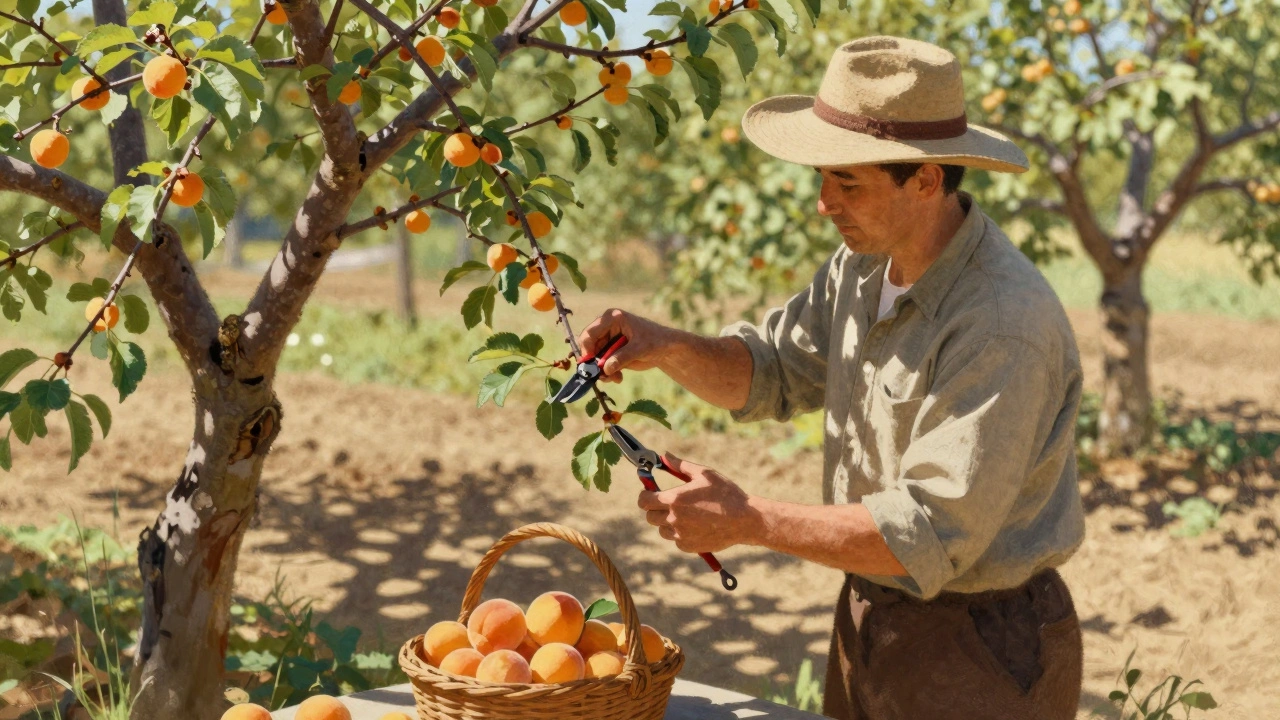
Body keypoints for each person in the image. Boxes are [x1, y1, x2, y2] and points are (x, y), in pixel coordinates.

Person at [575, 36, 1086, 719]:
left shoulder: (1000, 324)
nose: (824, 202)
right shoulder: (862, 268)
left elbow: (927, 531)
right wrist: (666, 346)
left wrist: (748, 520)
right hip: (872, 614)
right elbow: (771, 371)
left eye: (848, 182)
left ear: (927, 180)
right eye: (823, 177)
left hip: (981, 645)